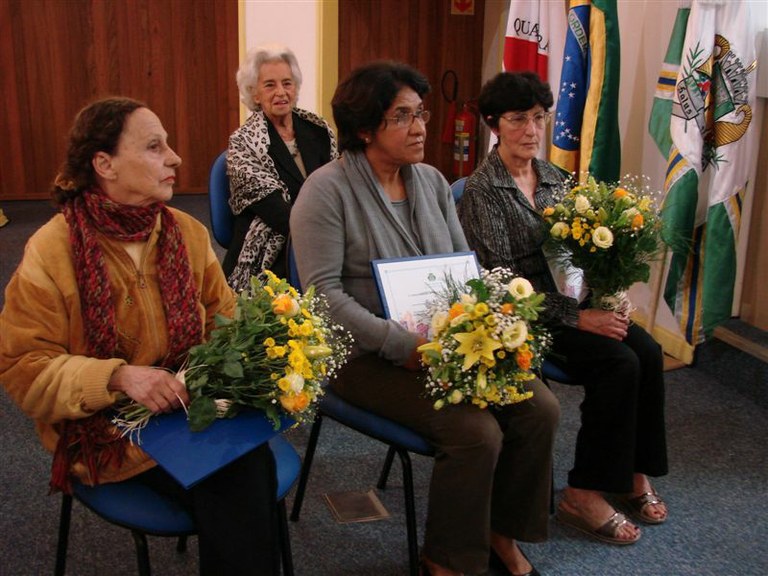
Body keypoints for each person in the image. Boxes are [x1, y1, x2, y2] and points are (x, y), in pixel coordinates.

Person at [290, 61, 559, 576]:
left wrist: (484, 328)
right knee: (477, 432)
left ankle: (498, 534)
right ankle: (447, 561)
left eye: (420, 114)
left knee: (539, 408)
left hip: (442, 347)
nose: (419, 128)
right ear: (365, 128)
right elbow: (323, 298)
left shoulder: (433, 182)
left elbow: (466, 272)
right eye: (402, 116)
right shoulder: (325, 191)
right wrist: (402, 346)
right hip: (362, 356)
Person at [0, 97, 281, 575]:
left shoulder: (186, 233)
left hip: (186, 404)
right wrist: (118, 377)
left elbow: (225, 318)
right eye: (154, 147)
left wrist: (231, 367)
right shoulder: (52, 250)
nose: (175, 158)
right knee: (241, 482)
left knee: (246, 469)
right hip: (105, 427)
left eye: (167, 145)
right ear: (104, 164)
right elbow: (23, 370)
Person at [457, 71, 669, 546]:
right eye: (518, 119)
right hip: (526, 316)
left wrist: (608, 291)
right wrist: (579, 317)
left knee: (649, 351)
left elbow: (580, 253)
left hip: (575, 299)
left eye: (539, 118)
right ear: (493, 124)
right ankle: (583, 492)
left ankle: (633, 473)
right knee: (619, 363)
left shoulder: (556, 178)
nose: (532, 130)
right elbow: (503, 284)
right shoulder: (482, 192)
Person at [223, 43, 337, 290]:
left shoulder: (319, 130)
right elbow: (277, 213)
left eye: (287, 83)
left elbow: (336, 189)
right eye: (270, 85)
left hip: (321, 231)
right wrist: (329, 233)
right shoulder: (243, 142)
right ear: (254, 94)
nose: (281, 92)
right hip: (269, 247)